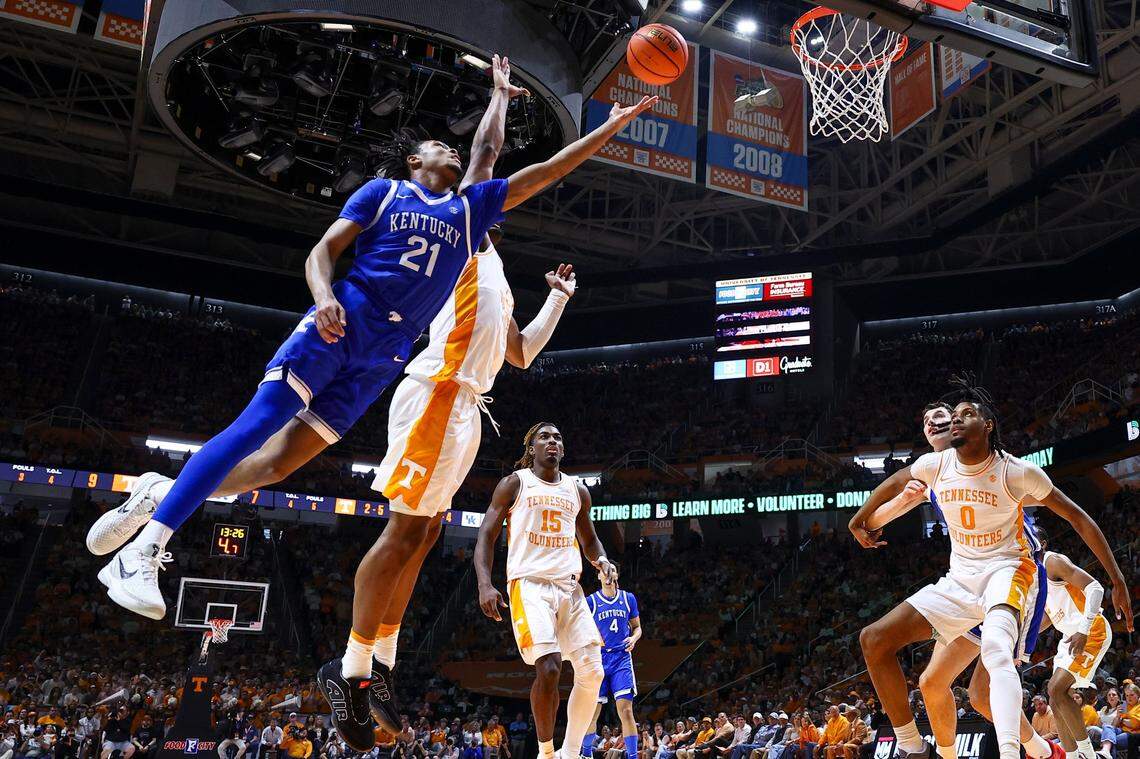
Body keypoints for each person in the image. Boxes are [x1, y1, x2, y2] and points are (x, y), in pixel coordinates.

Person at [850, 382, 1132, 759]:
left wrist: (1118, 579)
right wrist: (860, 519)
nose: (954, 421)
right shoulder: (934, 467)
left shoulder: (1016, 472)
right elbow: (898, 480)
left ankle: (1021, 752)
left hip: (1011, 571)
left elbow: (1078, 517)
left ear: (988, 425)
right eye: (949, 417)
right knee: (879, 643)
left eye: (966, 414)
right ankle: (913, 746)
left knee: (998, 657)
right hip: (961, 578)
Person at [475, 422, 613, 759]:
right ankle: (546, 752)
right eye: (544, 437)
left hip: (570, 587)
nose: (552, 441)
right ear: (532, 448)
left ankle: (570, 752)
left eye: (558, 438)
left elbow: (589, 539)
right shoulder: (514, 484)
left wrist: (602, 561)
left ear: (563, 450)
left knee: (593, 671)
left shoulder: (577, 491)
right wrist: (485, 583)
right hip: (530, 585)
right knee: (550, 667)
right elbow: (486, 536)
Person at [581, 565, 642, 759]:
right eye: (603, 570)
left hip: (621, 658)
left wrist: (634, 638)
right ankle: (586, 753)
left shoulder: (627, 598)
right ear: (598, 575)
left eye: (612, 570)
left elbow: (638, 628)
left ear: (616, 574)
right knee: (593, 712)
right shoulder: (591, 601)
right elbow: (582, 631)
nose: (607, 573)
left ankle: (632, 756)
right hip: (598, 659)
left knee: (625, 710)